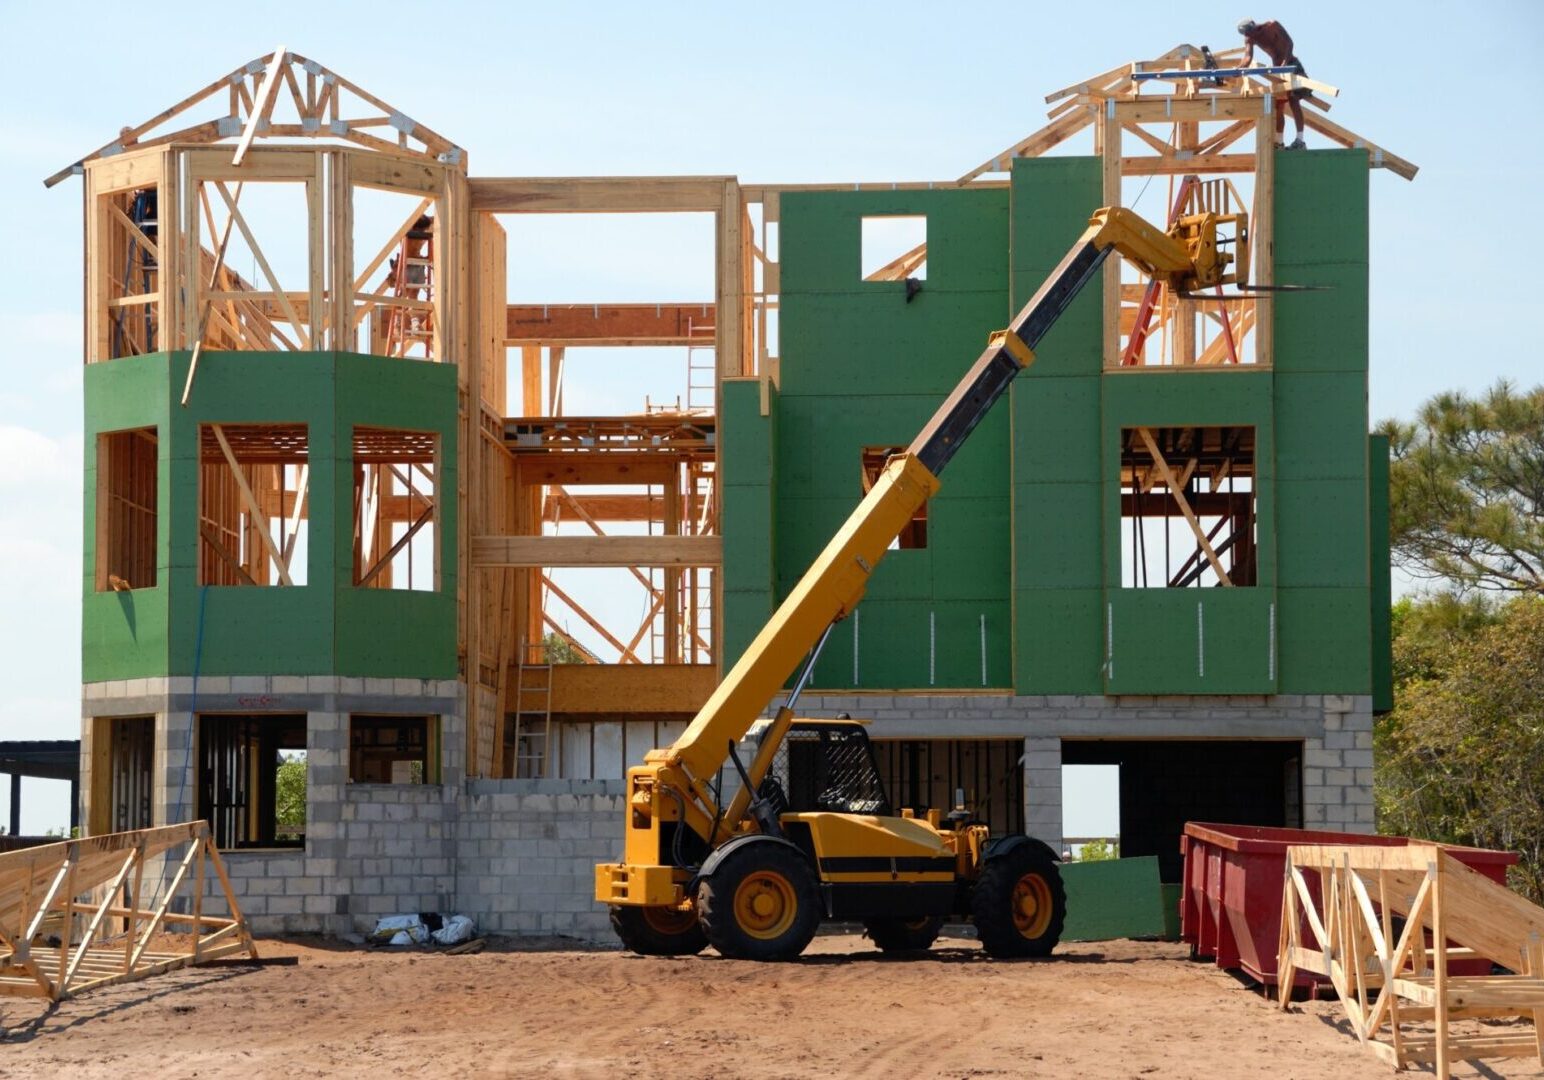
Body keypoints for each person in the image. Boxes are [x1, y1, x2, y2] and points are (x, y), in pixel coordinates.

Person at [1238, 18, 1308, 149]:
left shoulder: (1272, 25)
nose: (1249, 37)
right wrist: (1239, 69)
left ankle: (1300, 140)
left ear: (1254, 28)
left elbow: (1289, 43)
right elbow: (1248, 56)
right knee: (1278, 105)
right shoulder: (1250, 39)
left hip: (1291, 64)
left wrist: (1285, 63)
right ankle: (1279, 142)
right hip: (1278, 70)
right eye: (1246, 35)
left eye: (1250, 33)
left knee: (1293, 100)